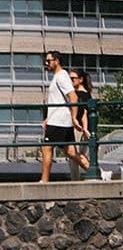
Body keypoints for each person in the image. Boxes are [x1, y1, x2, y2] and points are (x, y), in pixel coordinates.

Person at [38, 51, 89, 182]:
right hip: (59, 120)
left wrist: (73, 118)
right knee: (71, 152)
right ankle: (100, 173)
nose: (46, 63)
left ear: (57, 61)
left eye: (49, 61)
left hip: (59, 121)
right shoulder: (59, 76)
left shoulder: (61, 76)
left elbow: (73, 97)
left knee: (46, 148)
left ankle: (44, 181)